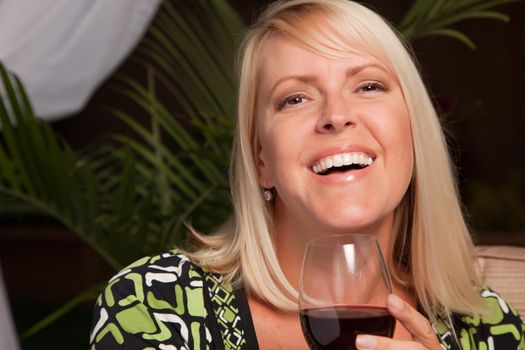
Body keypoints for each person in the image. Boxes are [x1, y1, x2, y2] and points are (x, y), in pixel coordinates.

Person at [89, 0, 525, 349]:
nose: (336, 116)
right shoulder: (155, 303)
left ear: (415, 133)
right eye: (294, 98)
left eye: (369, 86)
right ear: (261, 160)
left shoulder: (486, 328)